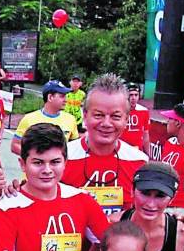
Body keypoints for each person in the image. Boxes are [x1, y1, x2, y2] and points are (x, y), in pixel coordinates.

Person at [63, 74, 150, 217]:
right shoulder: (61, 158)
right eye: (98, 115)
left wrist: (180, 219)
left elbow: (151, 213)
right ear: (85, 115)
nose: (106, 123)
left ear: (126, 119)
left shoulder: (140, 162)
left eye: (115, 116)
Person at [10, 80, 78, 156]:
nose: (66, 100)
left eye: (66, 96)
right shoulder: (29, 119)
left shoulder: (71, 119)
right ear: (50, 97)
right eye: (62, 96)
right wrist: (36, 158)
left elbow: (74, 147)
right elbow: (15, 145)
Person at [123, 83, 151, 151]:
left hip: (137, 150)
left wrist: (148, 154)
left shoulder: (144, 111)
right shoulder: (119, 110)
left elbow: (146, 134)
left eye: (136, 95)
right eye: (131, 95)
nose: (134, 98)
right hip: (121, 150)